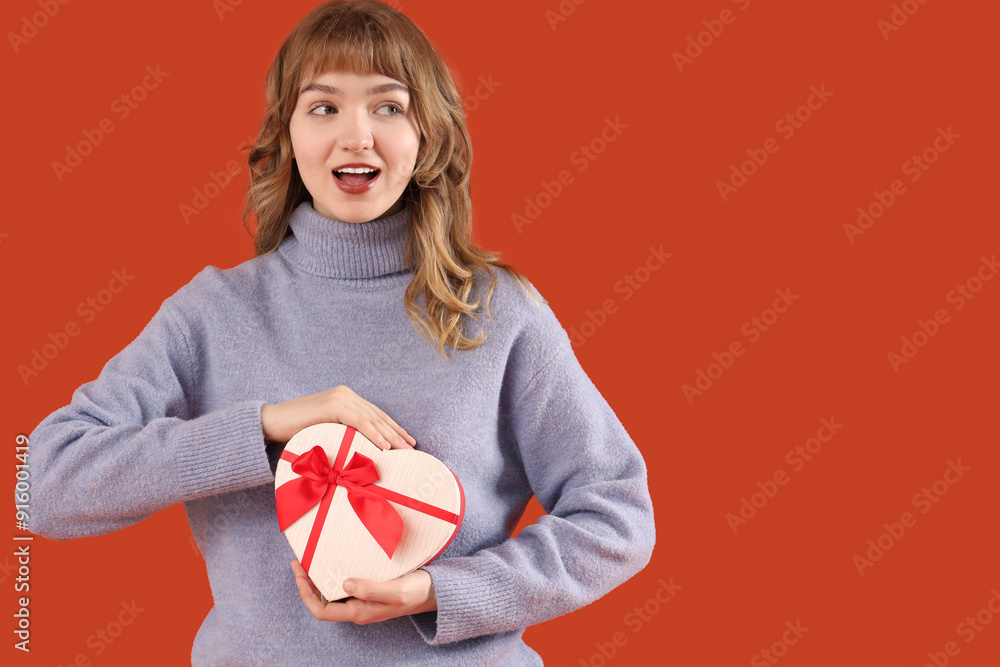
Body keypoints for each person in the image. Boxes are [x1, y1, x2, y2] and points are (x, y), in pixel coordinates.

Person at [25, 0, 656, 663]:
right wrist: (266, 426)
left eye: (388, 106)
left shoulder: (498, 311)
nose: (357, 137)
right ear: (287, 134)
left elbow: (617, 515)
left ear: (428, 134)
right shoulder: (212, 313)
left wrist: (437, 590)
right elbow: (36, 484)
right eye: (324, 107)